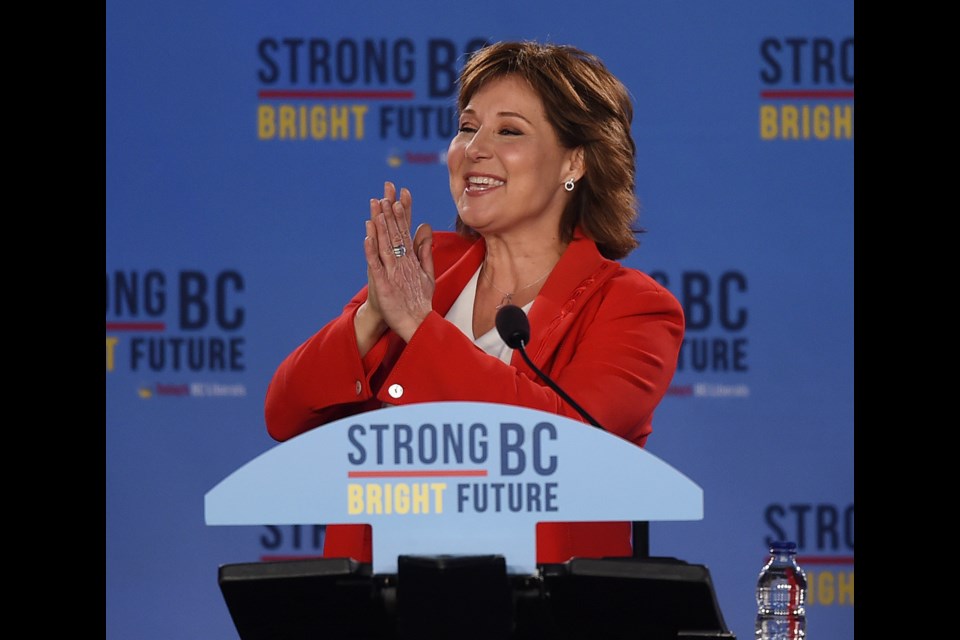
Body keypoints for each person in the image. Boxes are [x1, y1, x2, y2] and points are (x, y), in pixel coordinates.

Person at [264, 40, 685, 564]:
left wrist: (421, 327)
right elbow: (286, 414)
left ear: (573, 161)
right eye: (467, 127)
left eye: (509, 131)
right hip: (386, 602)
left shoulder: (633, 308)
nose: (474, 149)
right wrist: (374, 315)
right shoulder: (429, 268)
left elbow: (562, 445)